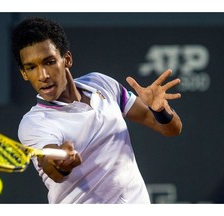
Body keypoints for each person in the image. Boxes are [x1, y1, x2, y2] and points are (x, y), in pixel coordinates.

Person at [11, 16, 182, 204]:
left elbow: (171, 129)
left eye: (49, 62)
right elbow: (52, 168)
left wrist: (159, 111)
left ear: (66, 59)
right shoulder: (34, 122)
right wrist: (62, 165)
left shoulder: (100, 83)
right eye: (31, 67)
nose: (42, 75)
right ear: (24, 74)